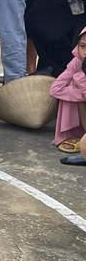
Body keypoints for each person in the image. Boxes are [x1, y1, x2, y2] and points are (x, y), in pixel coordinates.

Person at [51, 28, 86, 165]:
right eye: (82, 46)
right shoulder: (76, 62)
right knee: (74, 86)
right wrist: (82, 94)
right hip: (81, 107)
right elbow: (55, 89)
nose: (85, 52)